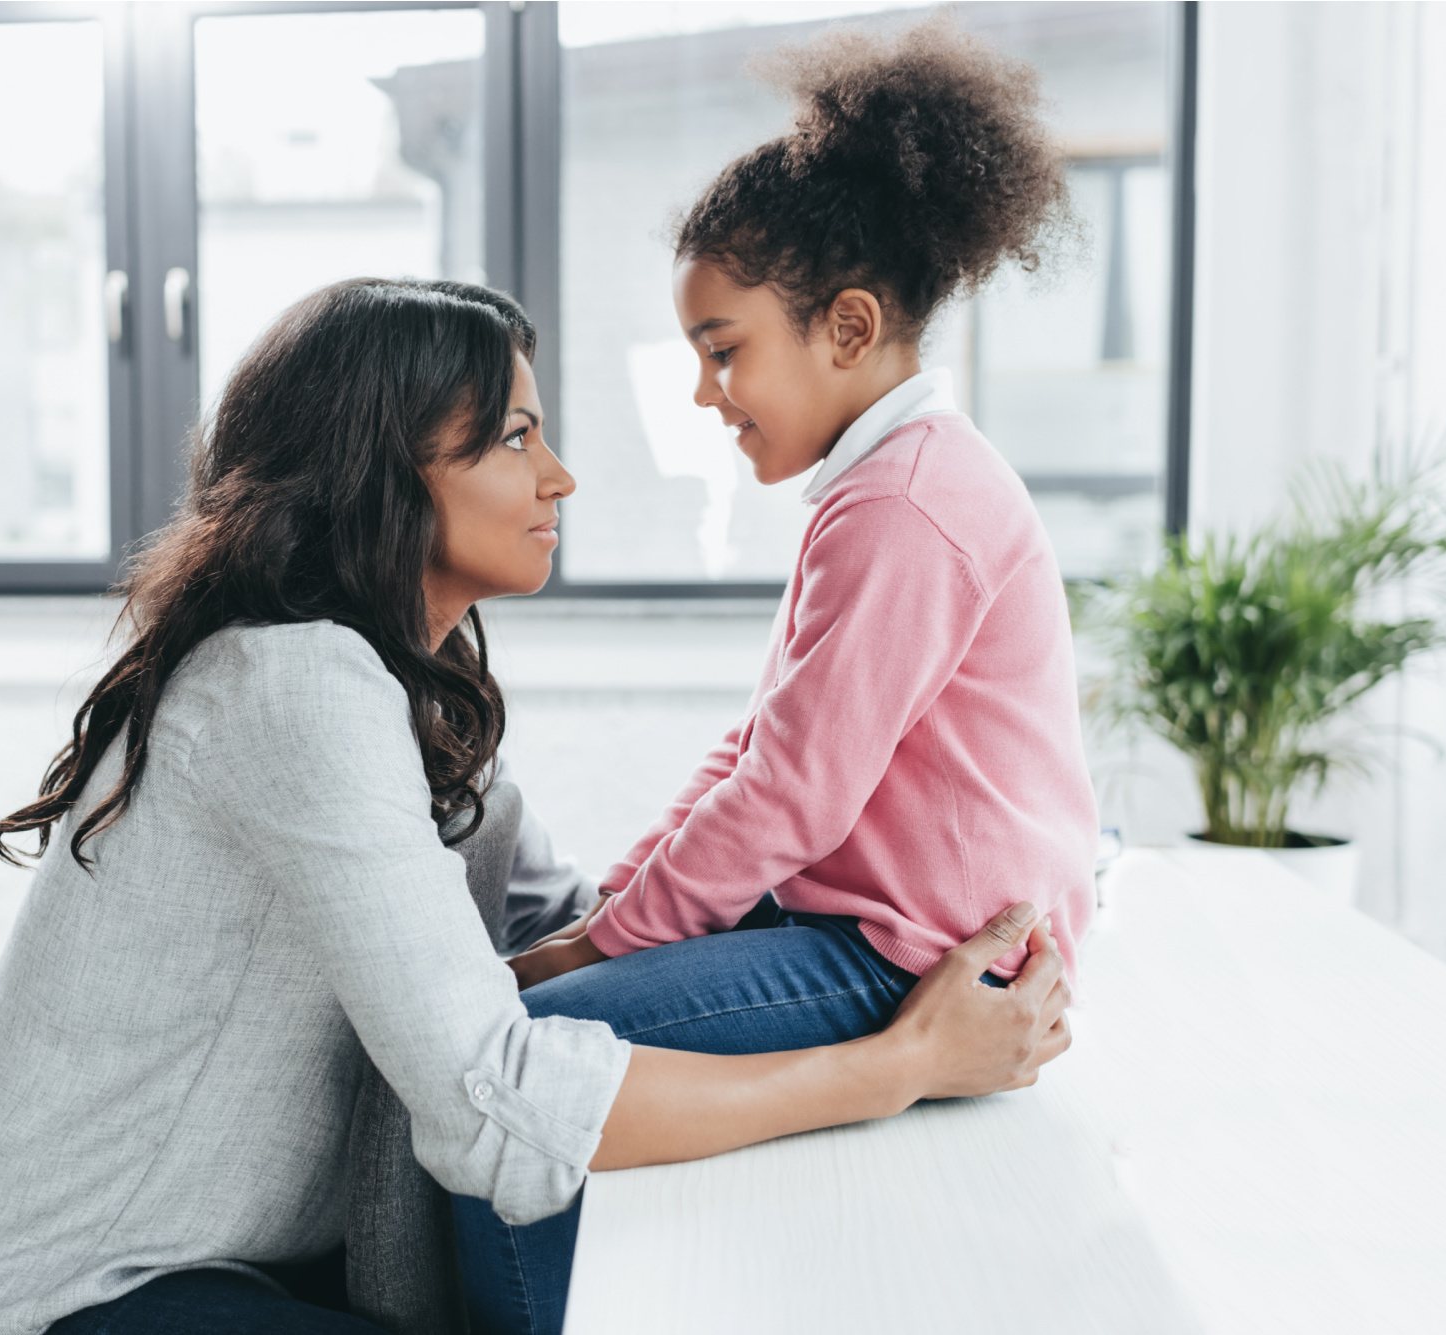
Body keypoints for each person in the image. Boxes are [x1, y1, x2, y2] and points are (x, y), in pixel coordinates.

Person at [0, 277, 1071, 1335]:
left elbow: (570, 933)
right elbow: (490, 1099)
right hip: (72, 1292)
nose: (559, 476)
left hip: (253, 1261)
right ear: (380, 475)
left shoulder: (405, 702)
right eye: (511, 438)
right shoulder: (289, 688)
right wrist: (901, 1060)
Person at [463, 16, 1100, 1330]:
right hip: (861, 925)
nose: (706, 390)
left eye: (723, 346)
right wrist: (621, 902)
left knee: (520, 1073)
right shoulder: (885, 483)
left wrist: (599, 941)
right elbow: (763, 751)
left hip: (908, 958)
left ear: (849, 326)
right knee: (552, 994)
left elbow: (790, 799)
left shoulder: (908, 500)